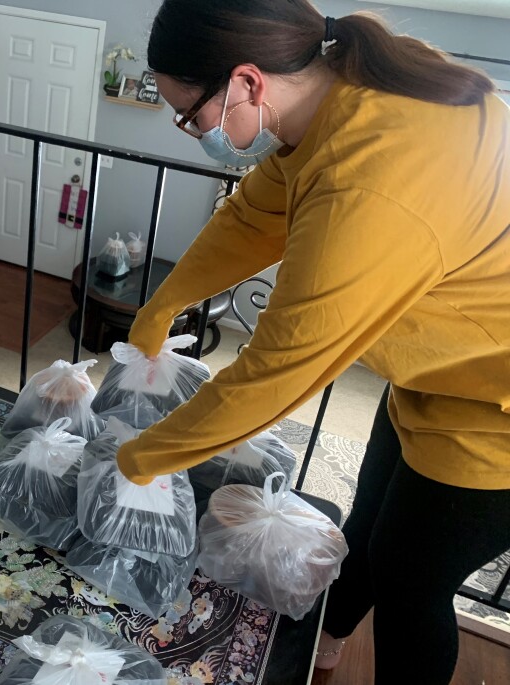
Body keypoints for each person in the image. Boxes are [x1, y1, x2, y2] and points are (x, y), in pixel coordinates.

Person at [114, 1, 510, 683]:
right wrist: (163, 304)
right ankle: (322, 646)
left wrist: (140, 458)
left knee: (412, 584)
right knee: (371, 528)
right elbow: (249, 220)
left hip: (493, 414)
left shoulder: (371, 181)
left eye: (191, 115)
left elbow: (274, 375)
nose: (191, 131)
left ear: (246, 82)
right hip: (439, 373)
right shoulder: (336, 102)